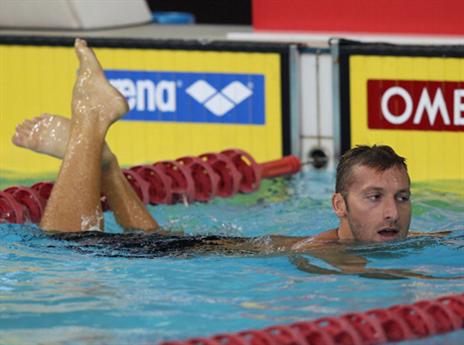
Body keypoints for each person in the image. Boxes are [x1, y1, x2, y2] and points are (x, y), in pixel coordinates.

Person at [11, 39, 451, 278]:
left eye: (403, 197)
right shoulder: (338, 256)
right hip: (191, 260)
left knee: (148, 238)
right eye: (374, 197)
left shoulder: (379, 239)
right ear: (339, 205)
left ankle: (102, 162)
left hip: (196, 249)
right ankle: (90, 118)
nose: (393, 212)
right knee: (68, 245)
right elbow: (383, 278)